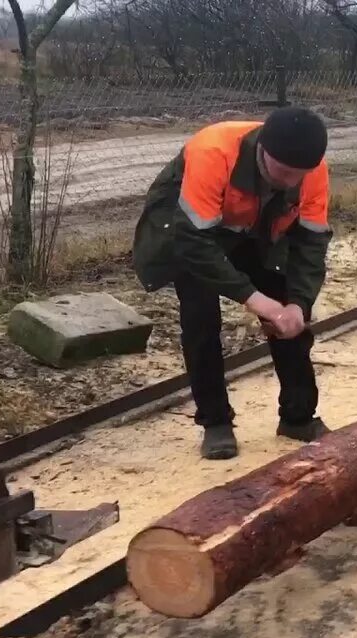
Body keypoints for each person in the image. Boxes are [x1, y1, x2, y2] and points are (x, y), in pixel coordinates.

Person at [131, 107, 333, 459]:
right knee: (200, 318)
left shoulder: (312, 172)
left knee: (290, 315)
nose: (289, 182)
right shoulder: (213, 153)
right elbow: (193, 242)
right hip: (193, 234)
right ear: (263, 152)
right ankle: (216, 422)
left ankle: (298, 418)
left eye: (298, 176)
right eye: (282, 172)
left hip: (255, 228)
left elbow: (310, 244)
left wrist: (298, 303)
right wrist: (253, 299)